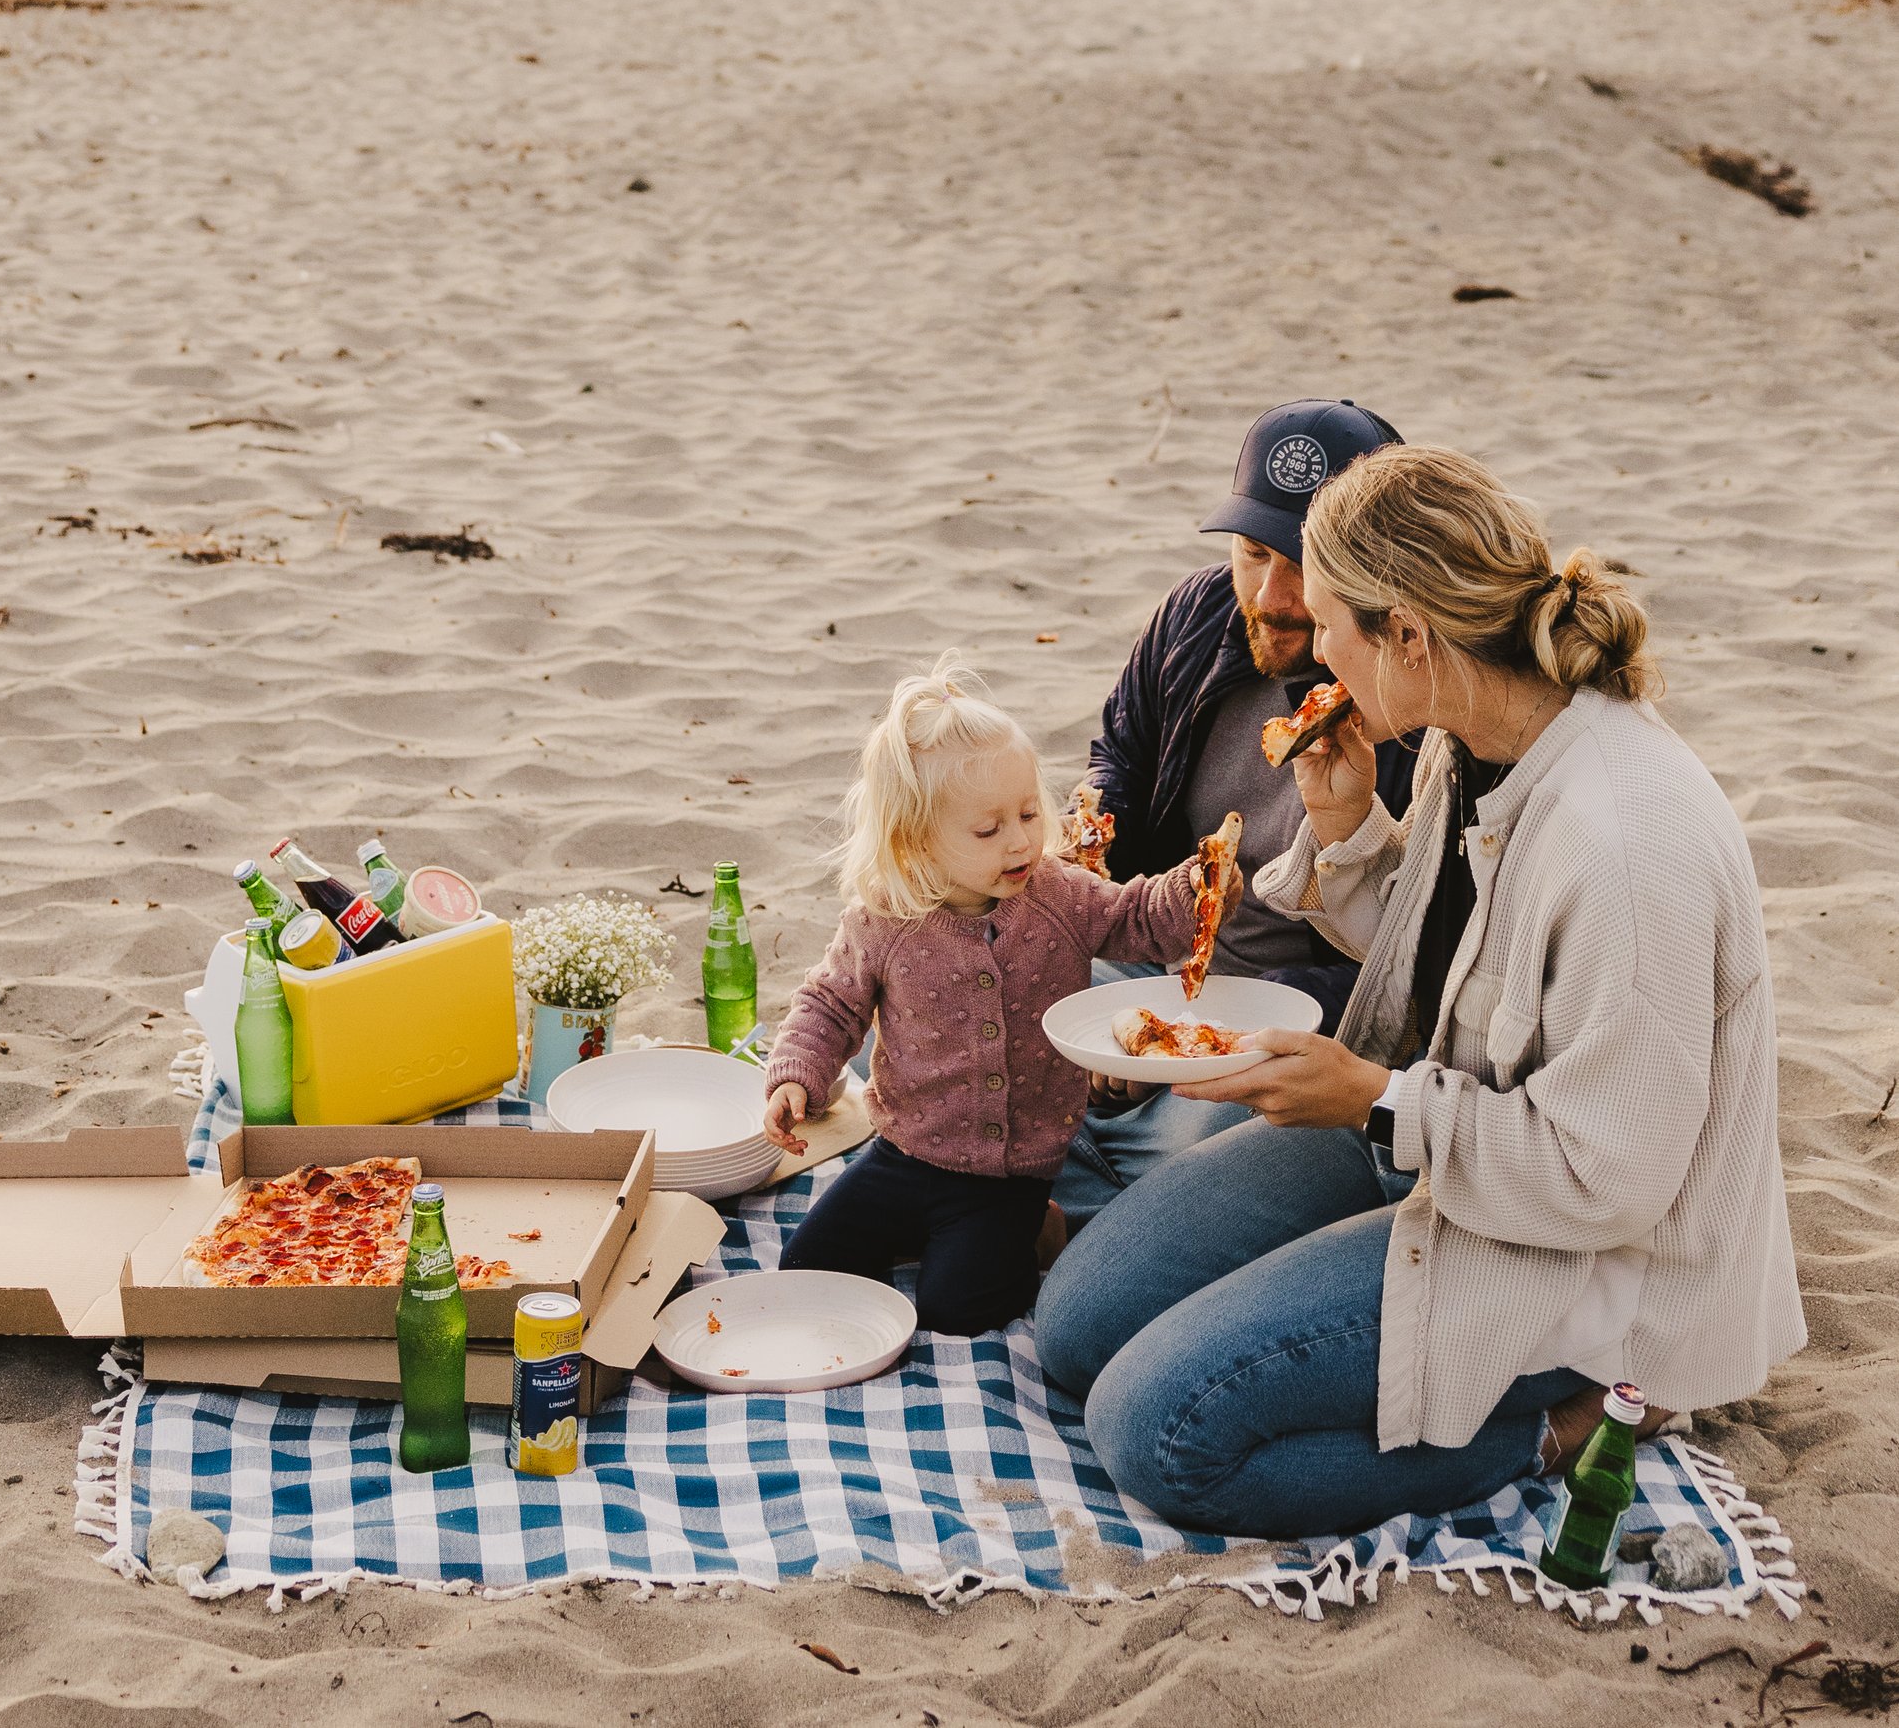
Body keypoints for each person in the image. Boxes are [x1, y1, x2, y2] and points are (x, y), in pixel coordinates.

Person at [1033, 446, 1803, 1537]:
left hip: (1583, 1249)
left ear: (1406, 635)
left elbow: (1611, 1179)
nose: (1314, 649)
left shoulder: (1625, 846)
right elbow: (1462, 967)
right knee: (1074, 1328)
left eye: (1329, 622)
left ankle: (1569, 1422)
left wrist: (1372, 1101)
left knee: (1153, 1431)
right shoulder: (1471, 731)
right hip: (1436, 1137)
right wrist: (1349, 827)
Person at [760, 662, 1207, 1334]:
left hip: (1011, 1172)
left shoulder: (1058, 896)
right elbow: (831, 1004)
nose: (1021, 839)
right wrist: (796, 1076)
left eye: (1028, 813)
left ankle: (1036, 1231)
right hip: (904, 1152)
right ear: (916, 840)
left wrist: (1193, 887)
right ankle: (942, 1238)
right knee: (807, 1267)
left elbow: (1136, 920)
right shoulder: (886, 917)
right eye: (988, 829)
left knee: (957, 1309)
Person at [1056, 400, 1418, 1219]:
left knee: (1192, 1148)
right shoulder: (1198, 612)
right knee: (951, 1006)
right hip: (1160, 955)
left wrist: (1218, 1021)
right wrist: (1095, 827)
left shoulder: (1409, 691)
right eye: (1253, 553)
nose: (1271, 594)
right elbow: (1118, 750)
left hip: (1301, 1012)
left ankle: (1088, 1190)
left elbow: (1413, 966)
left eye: (1306, 564)